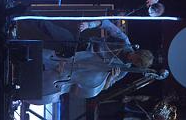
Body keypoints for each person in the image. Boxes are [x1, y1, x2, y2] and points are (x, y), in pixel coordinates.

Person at [26, 19, 154, 104]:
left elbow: (104, 88)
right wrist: (89, 25)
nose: (130, 59)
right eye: (134, 57)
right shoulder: (124, 41)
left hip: (78, 70)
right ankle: (25, 15)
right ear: (137, 52)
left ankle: (26, 85)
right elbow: (107, 24)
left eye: (134, 62)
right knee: (52, 30)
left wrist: (111, 78)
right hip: (82, 48)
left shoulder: (124, 70)